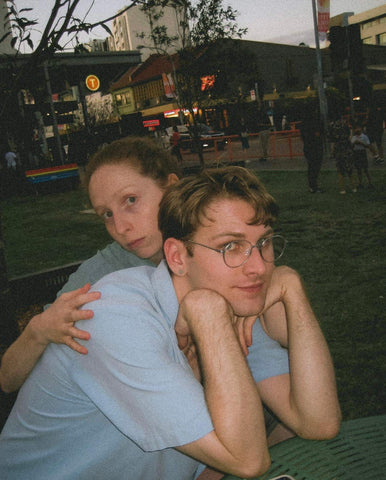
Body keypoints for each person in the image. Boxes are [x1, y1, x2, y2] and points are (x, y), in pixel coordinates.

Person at [0, 166, 341, 479]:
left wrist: (293, 290)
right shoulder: (115, 317)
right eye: (231, 246)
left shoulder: (236, 300)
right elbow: (248, 460)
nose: (259, 267)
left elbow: (319, 421)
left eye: (263, 242)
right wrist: (206, 312)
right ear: (177, 257)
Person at [328, 117, 357, 194]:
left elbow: (332, 140)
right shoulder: (345, 124)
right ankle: (353, 187)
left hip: (338, 150)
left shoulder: (332, 126)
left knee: (340, 171)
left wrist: (332, 152)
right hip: (347, 149)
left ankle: (342, 189)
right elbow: (349, 136)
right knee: (350, 170)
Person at [300, 107, 324, 193]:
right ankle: (314, 186)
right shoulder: (315, 123)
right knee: (315, 167)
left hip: (308, 147)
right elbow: (319, 133)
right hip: (315, 147)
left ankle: (312, 185)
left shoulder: (303, 124)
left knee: (311, 167)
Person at [351, 125, 374, 190]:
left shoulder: (364, 137)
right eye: (355, 129)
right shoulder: (354, 137)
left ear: (361, 129)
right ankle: (360, 183)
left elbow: (368, 145)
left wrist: (361, 143)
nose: (357, 130)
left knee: (365, 169)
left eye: (358, 128)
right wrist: (354, 143)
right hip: (356, 153)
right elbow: (351, 146)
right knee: (358, 170)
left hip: (362, 153)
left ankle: (370, 183)